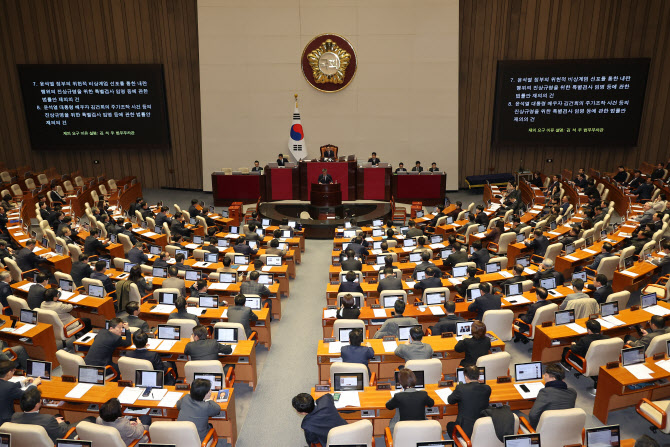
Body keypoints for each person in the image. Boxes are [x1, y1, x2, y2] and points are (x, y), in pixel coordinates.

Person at [12, 387, 78, 441]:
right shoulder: (48, 419)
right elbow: (61, 433)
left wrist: (54, 421)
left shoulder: (15, 416)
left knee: (58, 416)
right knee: (85, 421)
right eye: (40, 399)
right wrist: (61, 423)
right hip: (53, 441)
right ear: (37, 405)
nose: (41, 400)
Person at [524, 363, 577, 429]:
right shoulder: (573, 392)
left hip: (546, 428)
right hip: (564, 427)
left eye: (546, 375)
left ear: (553, 378)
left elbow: (533, 415)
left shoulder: (545, 392)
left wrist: (535, 429)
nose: (544, 377)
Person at [446, 365, 492, 438]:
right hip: (482, 428)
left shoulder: (461, 388)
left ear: (466, 377)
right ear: (479, 377)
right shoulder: (487, 388)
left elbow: (450, 400)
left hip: (464, 431)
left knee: (449, 425)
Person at [0, 360, 41, 424]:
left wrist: (22, 383)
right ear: (8, 373)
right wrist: (34, 384)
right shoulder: (10, 387)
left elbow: (6, 386)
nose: (14, 373)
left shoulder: (9, 386)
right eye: (13, 371)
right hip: (4, 421)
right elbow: (27, 395)